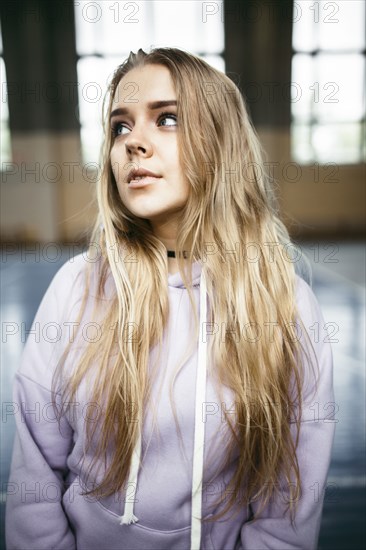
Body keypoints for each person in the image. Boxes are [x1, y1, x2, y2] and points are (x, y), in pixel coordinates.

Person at [5, 47, 335, 550]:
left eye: (167, 119)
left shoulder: (286, 305)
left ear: (219, 143)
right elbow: (36, 482)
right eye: (120, 126)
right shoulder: (75, 290)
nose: (134, 142)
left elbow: (286, 509)